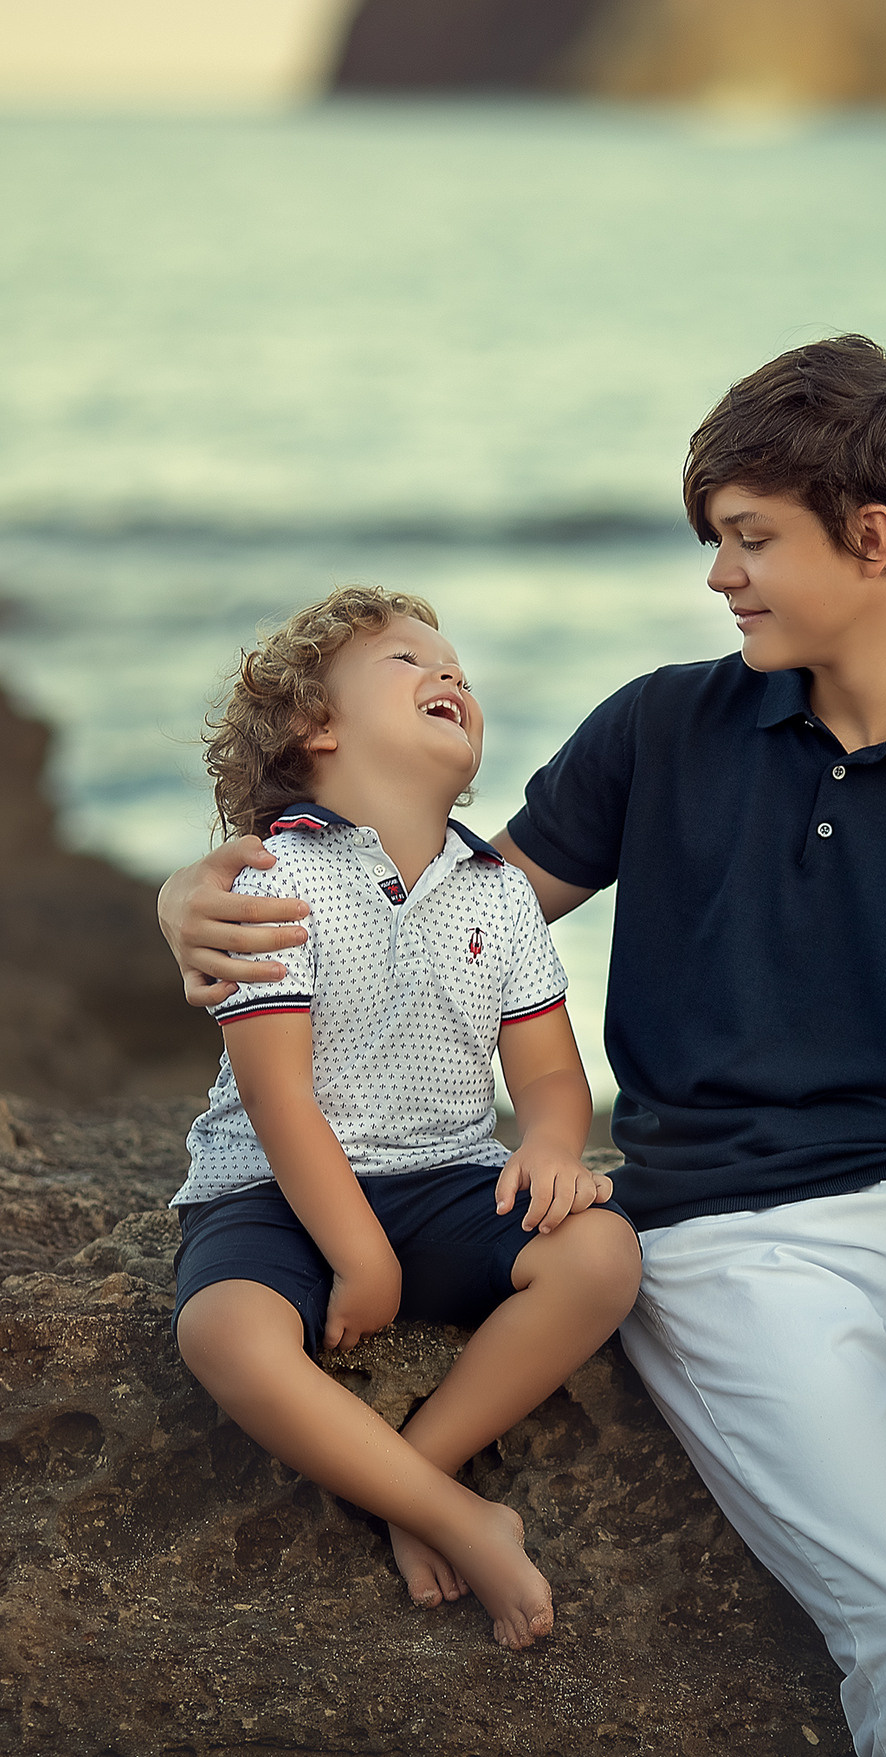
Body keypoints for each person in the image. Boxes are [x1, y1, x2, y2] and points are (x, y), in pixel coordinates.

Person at [159, 338, 886, 1757]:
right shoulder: (664, 727)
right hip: (734, 1247)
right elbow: (438, 908)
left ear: (873, 540)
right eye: (715, 541)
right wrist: (194, 890)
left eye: (750, 538)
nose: (718, 575)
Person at [167, 586, 642, 1654]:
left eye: (459, 670)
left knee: (603, 1255)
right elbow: (276, 1095)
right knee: (221, 1331)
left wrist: (556, 1152)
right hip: (275, 1188)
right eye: (407, 661)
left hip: (442, 1179)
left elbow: (553, 1082)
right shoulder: (275, 877)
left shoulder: (497, 892)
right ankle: (460, 1513)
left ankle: (415, 1480)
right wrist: (357, 1254)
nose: (449, 677)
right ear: (313, 728)